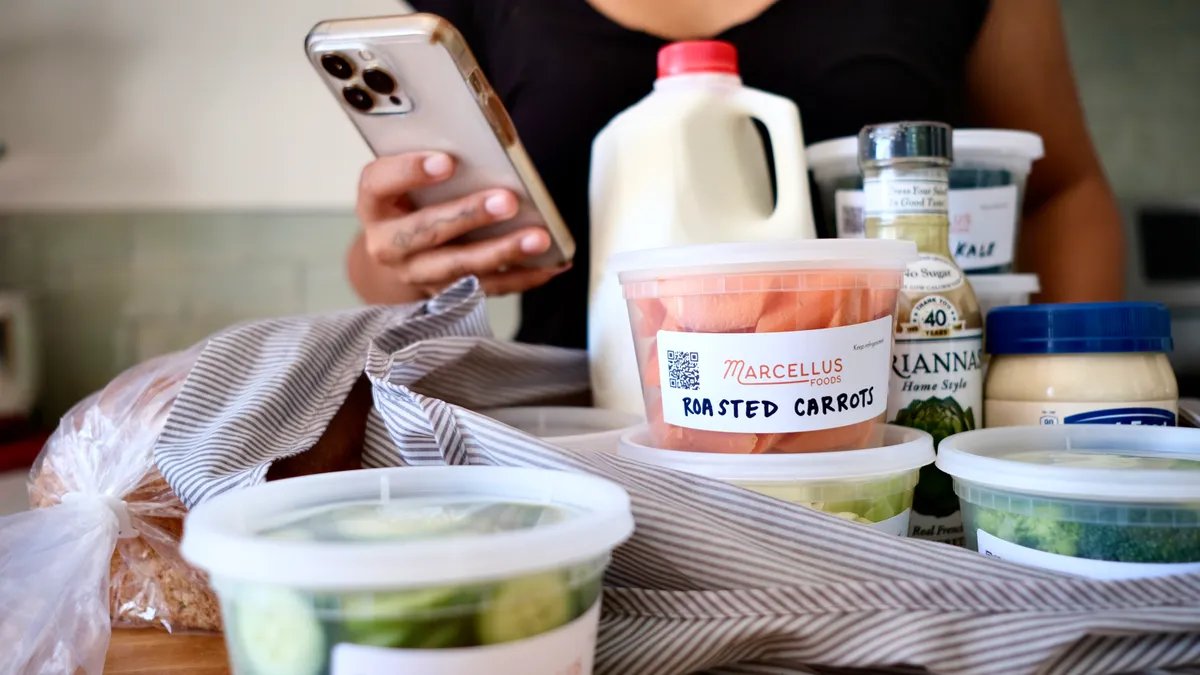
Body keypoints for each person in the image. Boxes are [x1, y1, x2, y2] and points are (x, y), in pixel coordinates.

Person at [347, 0, 1125, 350]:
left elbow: (1063, 191)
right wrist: (403, 263)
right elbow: (386, 252)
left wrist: (1050, 394)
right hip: (583, 428)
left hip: (909, 400)